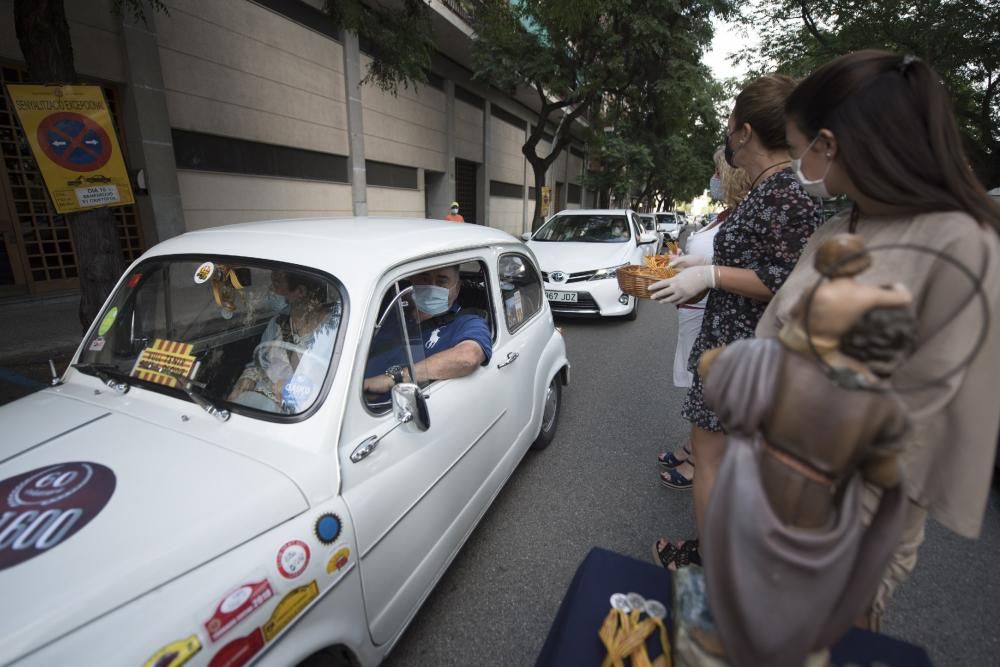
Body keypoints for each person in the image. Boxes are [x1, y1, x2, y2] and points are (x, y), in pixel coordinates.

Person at [756, 50, 1000, 629]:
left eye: (796, 151)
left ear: (830, 144)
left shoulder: (963, 247)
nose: (798, 166)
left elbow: (920, 428)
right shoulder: (838, 228)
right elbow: (773, 339)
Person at [648, 74, 823, 570]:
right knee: (718, 460)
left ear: (744, 131)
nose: (727, 135)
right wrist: (698, 274)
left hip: (748, 352)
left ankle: (711, 565)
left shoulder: (787, 192)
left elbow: (789, 279)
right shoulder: (771, 190)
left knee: (717, 461)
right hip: (731, 344)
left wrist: (711, 273)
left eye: (730, 125)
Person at [657, 148, 752, 490]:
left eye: (717, 170)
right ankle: (692, 446)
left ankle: (701, 459)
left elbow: (734, 270)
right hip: (695, 307)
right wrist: (685, 262)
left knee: (704, 388)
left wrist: (703, 273)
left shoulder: (746, 215)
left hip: (711, 310)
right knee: (696, 386)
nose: (712, 178)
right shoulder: (724, 214)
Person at [363, 265, 492, 395]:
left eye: (441, 281)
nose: (431, 288)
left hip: (394, 406)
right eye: (424, 279)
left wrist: (393, 378)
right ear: (412, 280)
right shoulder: (390, 311)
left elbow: (468, 357)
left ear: (457, 289)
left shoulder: (467, 322)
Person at [228, 270, 342, 413]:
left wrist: (291, 387)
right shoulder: (278, 322)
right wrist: (247, 378)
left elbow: (330, 385)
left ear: (300, 291)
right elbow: (258, 363)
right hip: (259, 400)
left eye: (276, 283)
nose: (271, 289)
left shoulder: (333, 330)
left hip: (294, 411)